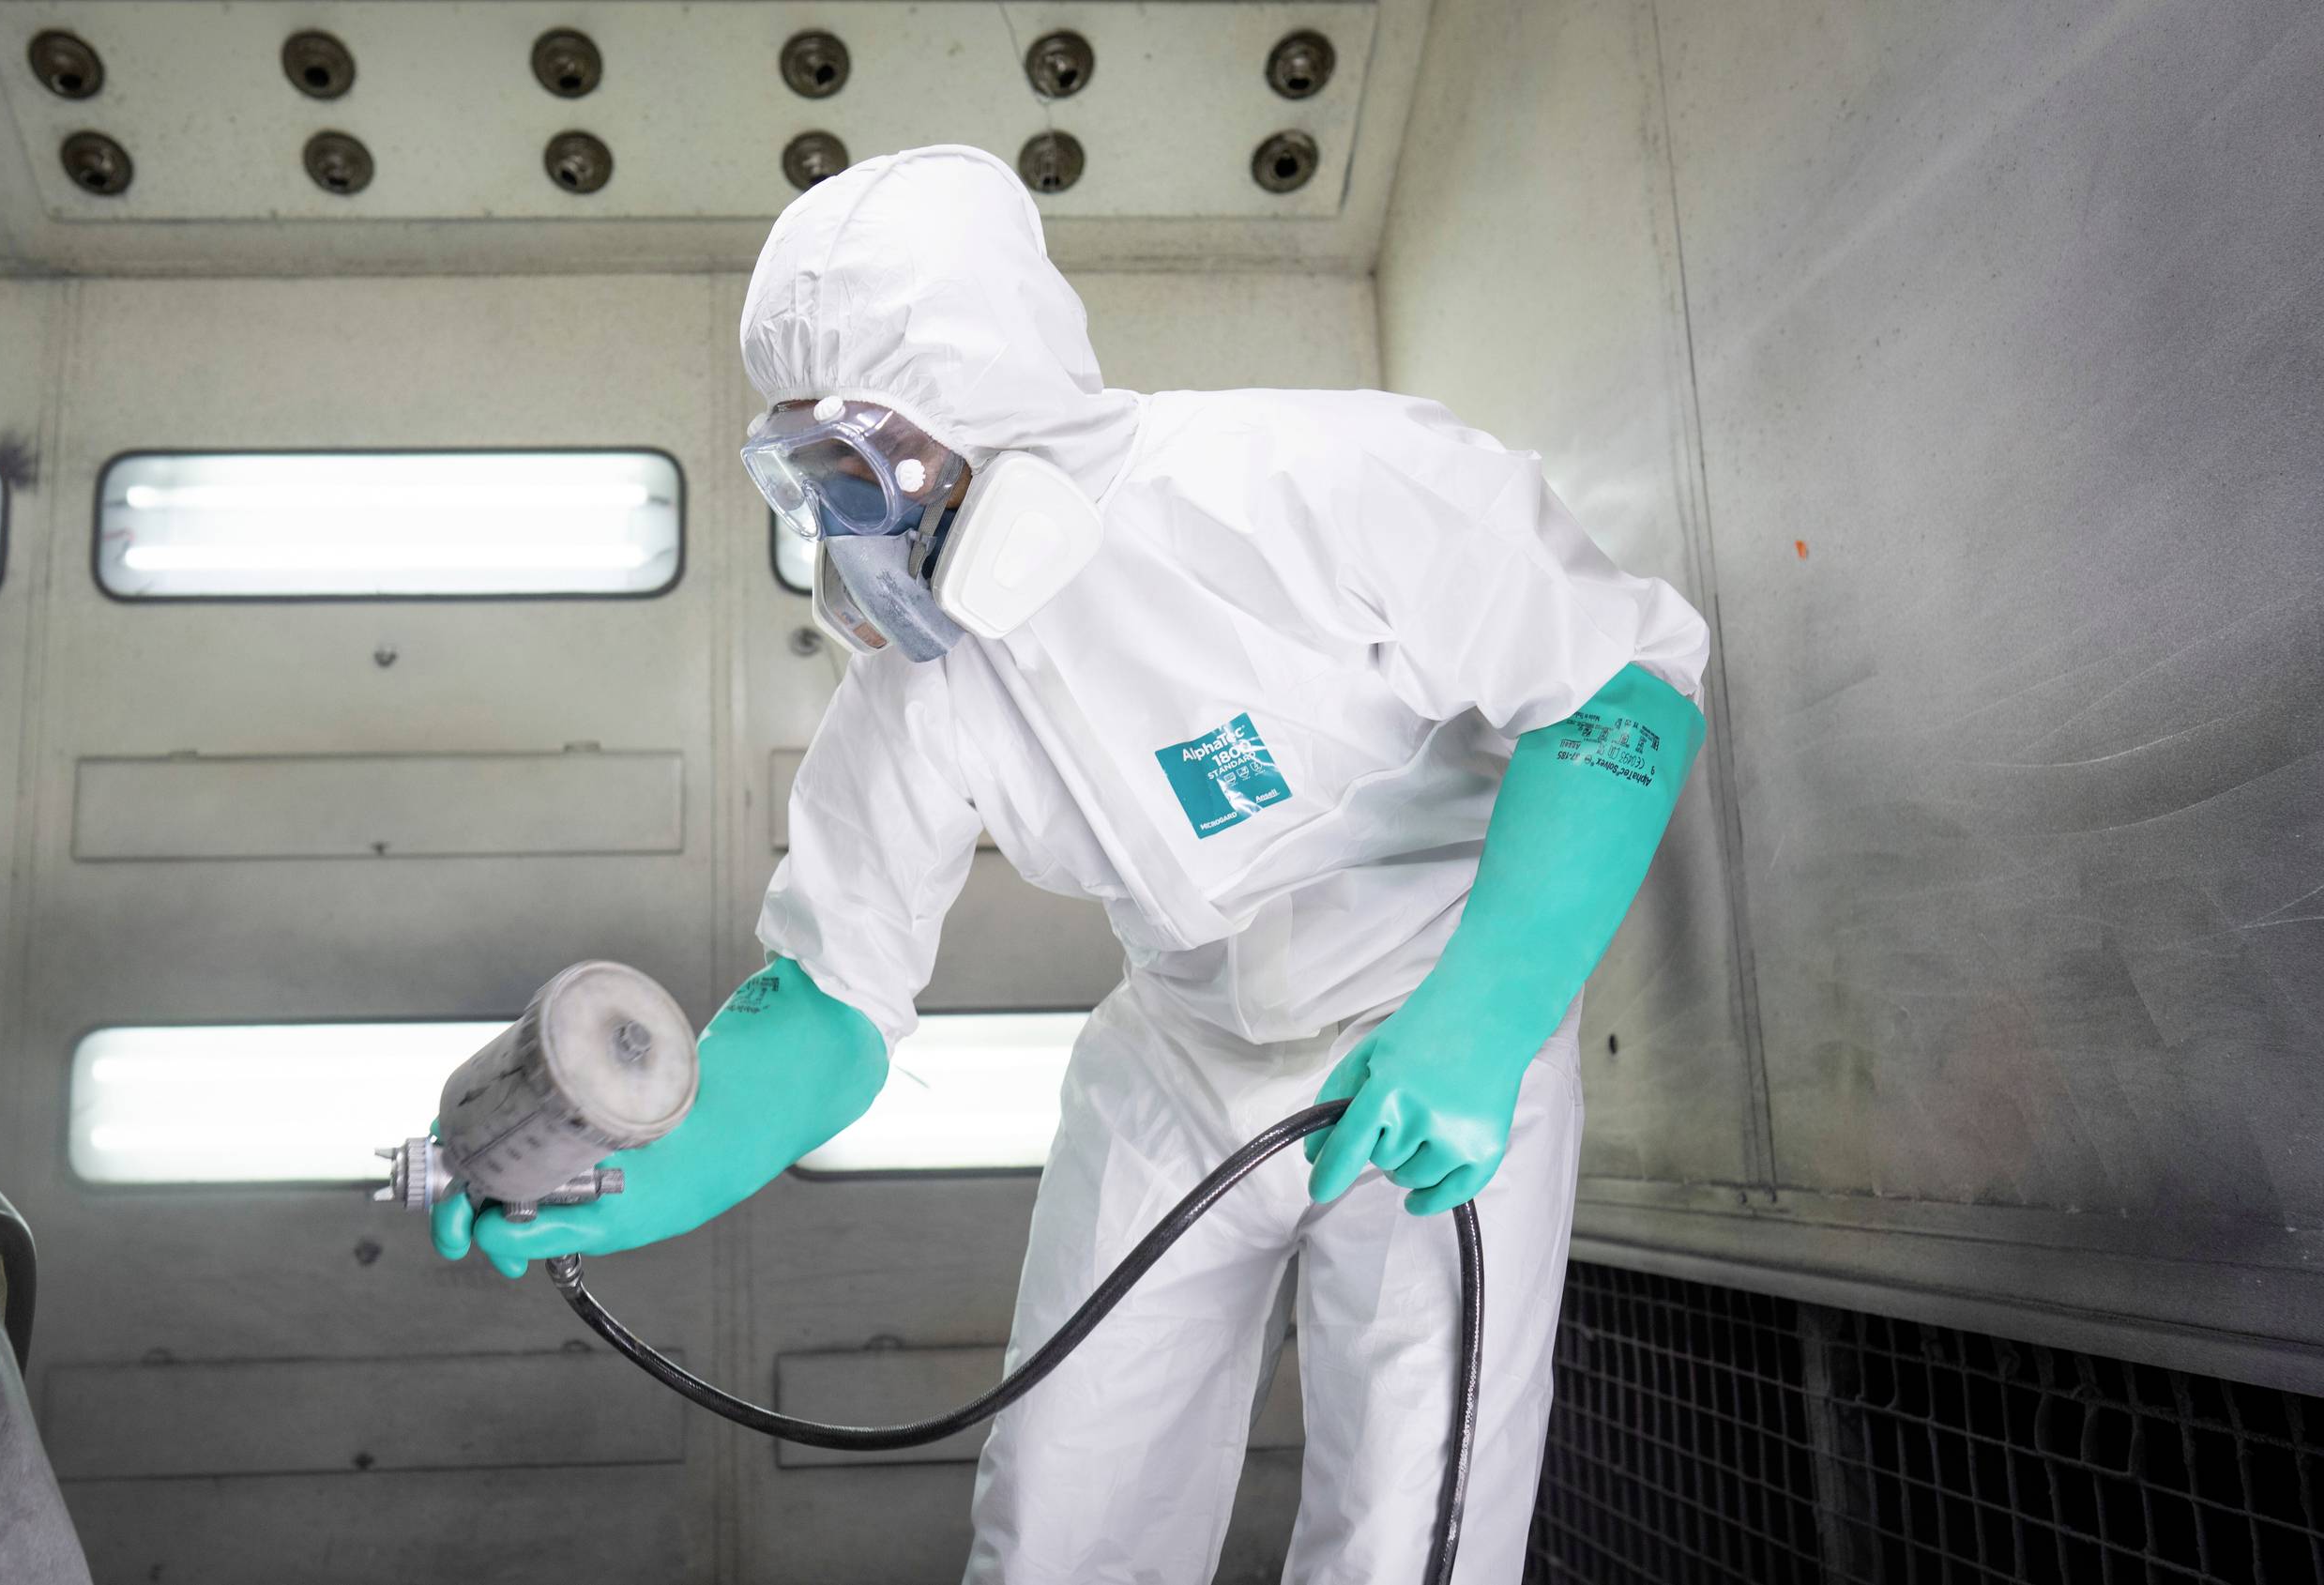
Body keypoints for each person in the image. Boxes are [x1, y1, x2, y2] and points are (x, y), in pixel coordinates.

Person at [433, 145, 1710, 1584]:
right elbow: (832, 997)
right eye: (809, 479)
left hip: (1436, 1009)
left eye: (863, 467)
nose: (851, 532)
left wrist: (1485, 1016)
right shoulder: (926, 688)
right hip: (1181, 1048)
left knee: (1418, 1524)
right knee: (1061, 1514)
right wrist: (654, 1171)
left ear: (986, 402)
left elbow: (1623, 692)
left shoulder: (1316, 482)